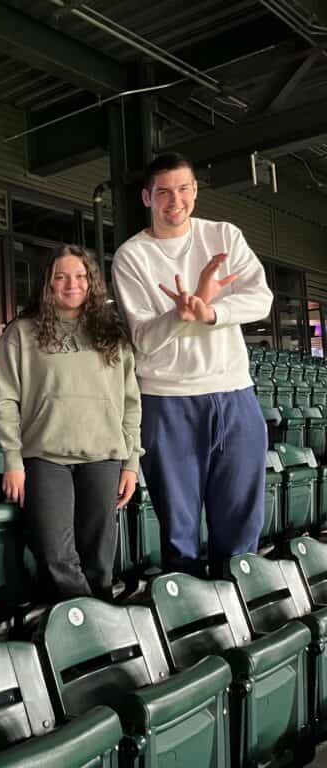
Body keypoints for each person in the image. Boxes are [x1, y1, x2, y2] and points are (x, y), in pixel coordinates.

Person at [112, 152, 273, 576]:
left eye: (183, 189)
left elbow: (262, 298)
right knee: (179, 527)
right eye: (163, 192)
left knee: (241, 522)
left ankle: (237, 609)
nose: (175, 201)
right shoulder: (132, 256)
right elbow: (143, 339)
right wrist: (179, 315)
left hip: (234, 392)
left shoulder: (224, 236)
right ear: (147, 197)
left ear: (195, 192)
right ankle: (187, 619)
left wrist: (210, 312)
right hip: (168, 400)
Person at [0, 245, 142, 599]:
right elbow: (3, 399)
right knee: (56, 555)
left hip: (103, 457)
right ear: (48, 284)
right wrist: (12, 459)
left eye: (80, 276)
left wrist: (131, 462)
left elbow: (131, 404)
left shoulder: (113, 336)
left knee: (99, 559)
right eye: (61, 276)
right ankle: (94, 624)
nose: (71, 284)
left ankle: (91, 631)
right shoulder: (21, 333)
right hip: (45, 457)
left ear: (91, 283)